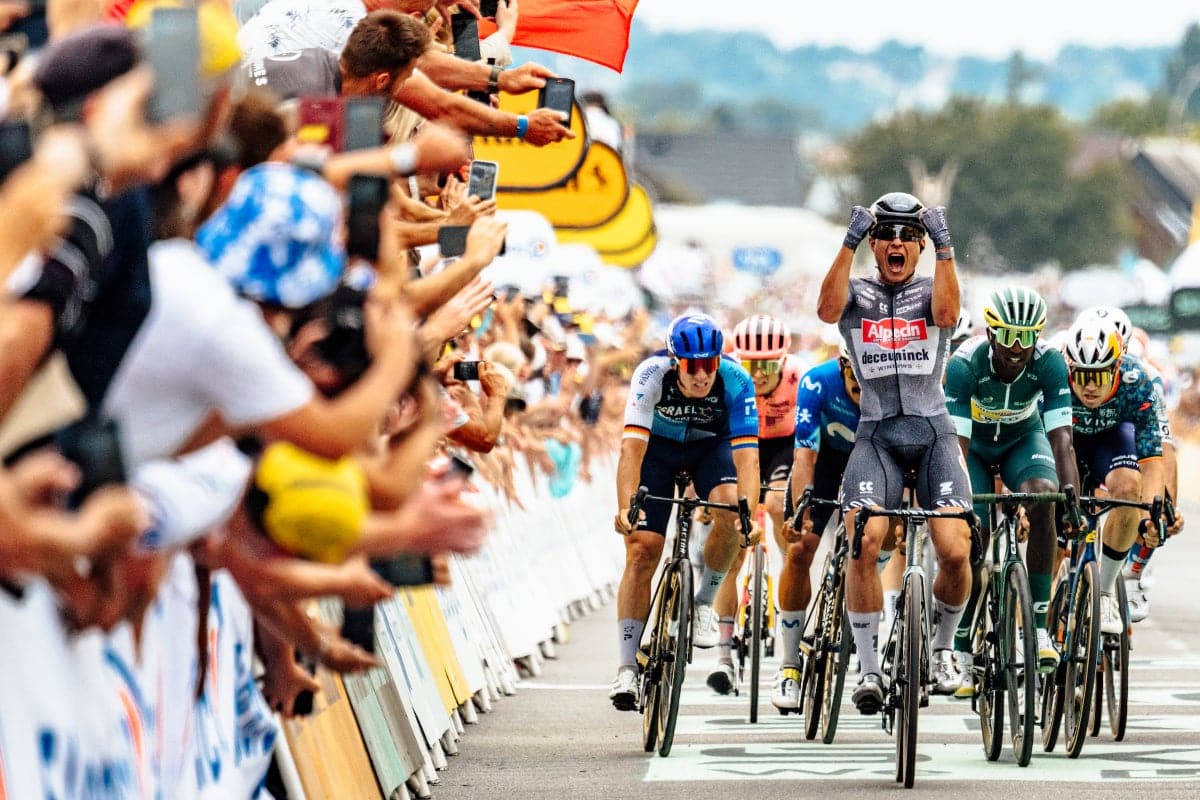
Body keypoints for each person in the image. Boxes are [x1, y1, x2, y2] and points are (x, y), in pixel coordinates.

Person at [815, 191, 973, 714]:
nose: (898, 244)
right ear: (876, 244)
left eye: (910, 236)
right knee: (865, 539)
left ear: (921, 245)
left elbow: (950, 311)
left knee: (954, 549)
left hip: (933, 433)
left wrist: (945, 246)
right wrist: (849, 241)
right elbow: (825, 309)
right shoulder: (857, 294)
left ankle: (945, 647)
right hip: (876, 434)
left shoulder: (932, 287)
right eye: (888, 236)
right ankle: (868, 668)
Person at [609, 313, 760, 711]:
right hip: (656, 453)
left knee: (731, 507)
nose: (701, 375)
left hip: (711, 451)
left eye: (709, 364)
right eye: (693, 366)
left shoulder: (736, 379)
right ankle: (626, 667)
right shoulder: (651, 375)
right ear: (677, 361)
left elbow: (747, 460)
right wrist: (626, 506)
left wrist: (750, 516)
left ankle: (704, 602)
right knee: (642, 550)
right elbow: (631, 450)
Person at [943, 287, 1080, 695]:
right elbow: (958, 448)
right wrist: (961, 507)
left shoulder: (1051, 364)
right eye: (1009, 336)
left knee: (1044, 495)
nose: (1018, 348)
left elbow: (1062, 441)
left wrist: (1068, 499)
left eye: (1028, 337)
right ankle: (962, 644)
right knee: (974, 537)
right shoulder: (964, 366)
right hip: (977, 449)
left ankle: (1036, 630)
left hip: (1024, 440)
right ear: (992, 333)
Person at [702, 314, 801, 695]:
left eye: (766, 365)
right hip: (741, 444)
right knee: (732, 546)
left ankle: (784, 559)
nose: (757, 374)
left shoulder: (798, 377)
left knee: (776, 506)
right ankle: (724, 655)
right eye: (750, 365)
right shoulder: (726, 375)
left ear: (783, 360)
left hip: (781, 448)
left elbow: (810, 440)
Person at [1061, 316, 1165, 635]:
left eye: (1100, 376)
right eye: (1083, 376)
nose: (1090, 386)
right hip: (1068, 444)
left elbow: (1152, 459)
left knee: (1129, 487)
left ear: (1116, 368)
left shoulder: (1137, 381)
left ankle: (1105, 591)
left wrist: (1153, 513)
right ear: (1070, 368)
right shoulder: (1054, 379)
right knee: (1053, 511)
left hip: (1111, 441)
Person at [775, 340, 861, 710]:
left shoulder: (890, 384)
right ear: (842, 365)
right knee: (800, 548)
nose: (861, 387)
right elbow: (804, 455)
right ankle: (789, 665)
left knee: (869, 545)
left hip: (868, 463)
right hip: (822, 463)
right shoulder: (817, 382)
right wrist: (802, 513)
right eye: (854, 379)